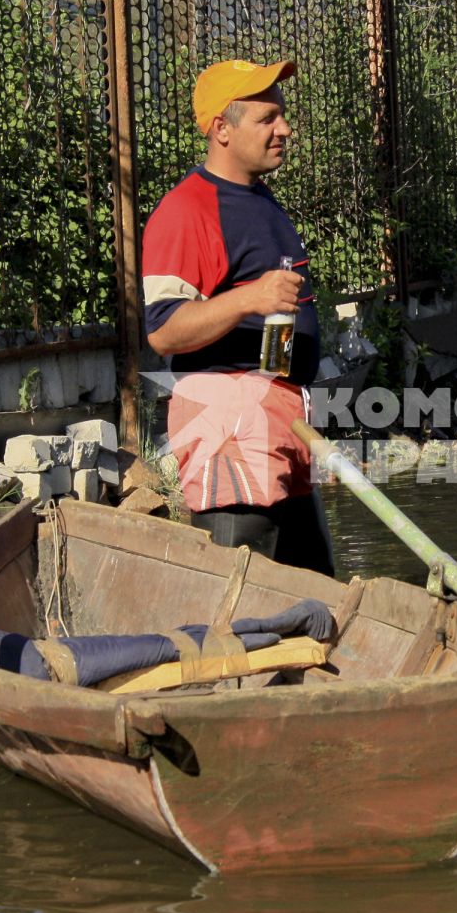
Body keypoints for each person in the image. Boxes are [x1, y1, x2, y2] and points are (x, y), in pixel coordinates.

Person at [140, 58, 336, 576]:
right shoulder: (188, 211)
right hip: (229, 424)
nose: (285, 128)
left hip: (280, 419)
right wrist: (250, 299)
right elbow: (162, 330)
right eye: (267, 118)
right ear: (221, 129)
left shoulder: (260, 202)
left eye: (283, 115)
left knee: (316, 592)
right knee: (241, 599)